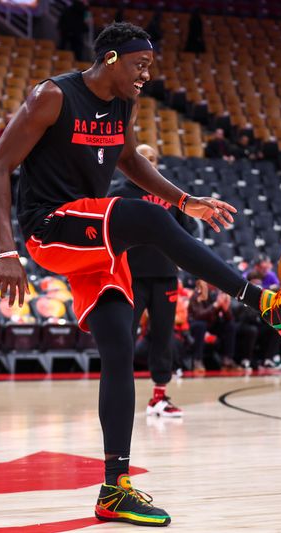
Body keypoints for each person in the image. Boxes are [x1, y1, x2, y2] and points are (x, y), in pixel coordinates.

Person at [0, 22, 281, 527]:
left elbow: (128, 159)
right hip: (50, 227)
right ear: (111, 58)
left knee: (119, 349)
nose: (147, 75)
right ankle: (268, 304)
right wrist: (6, 254)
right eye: (140, 65)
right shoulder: (53, 96)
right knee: (149, 216)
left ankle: (114, 488)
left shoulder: (124, 105)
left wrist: (189, 201)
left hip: (93, 237)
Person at [110, 144, 194, 417]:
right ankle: (119, 395)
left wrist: (201, 275)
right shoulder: (119, 194)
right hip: (130, 277)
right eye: (143, 158)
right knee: (124, 337)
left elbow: (189, 238)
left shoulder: (171, 193)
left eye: (153, 158)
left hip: (166, 277)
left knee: (163, 337)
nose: (148, 162)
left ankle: (159, 398)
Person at [189, 279, 238, 370]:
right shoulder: (198, 293)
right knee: (201, 325)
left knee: (230, 325)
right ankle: (197, 360)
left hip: (211, 324)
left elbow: (229, 318)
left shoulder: (218, 293)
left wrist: (225, 309)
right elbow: (199, 315)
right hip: (195, 324)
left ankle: (227, 359)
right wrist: (215, 305)